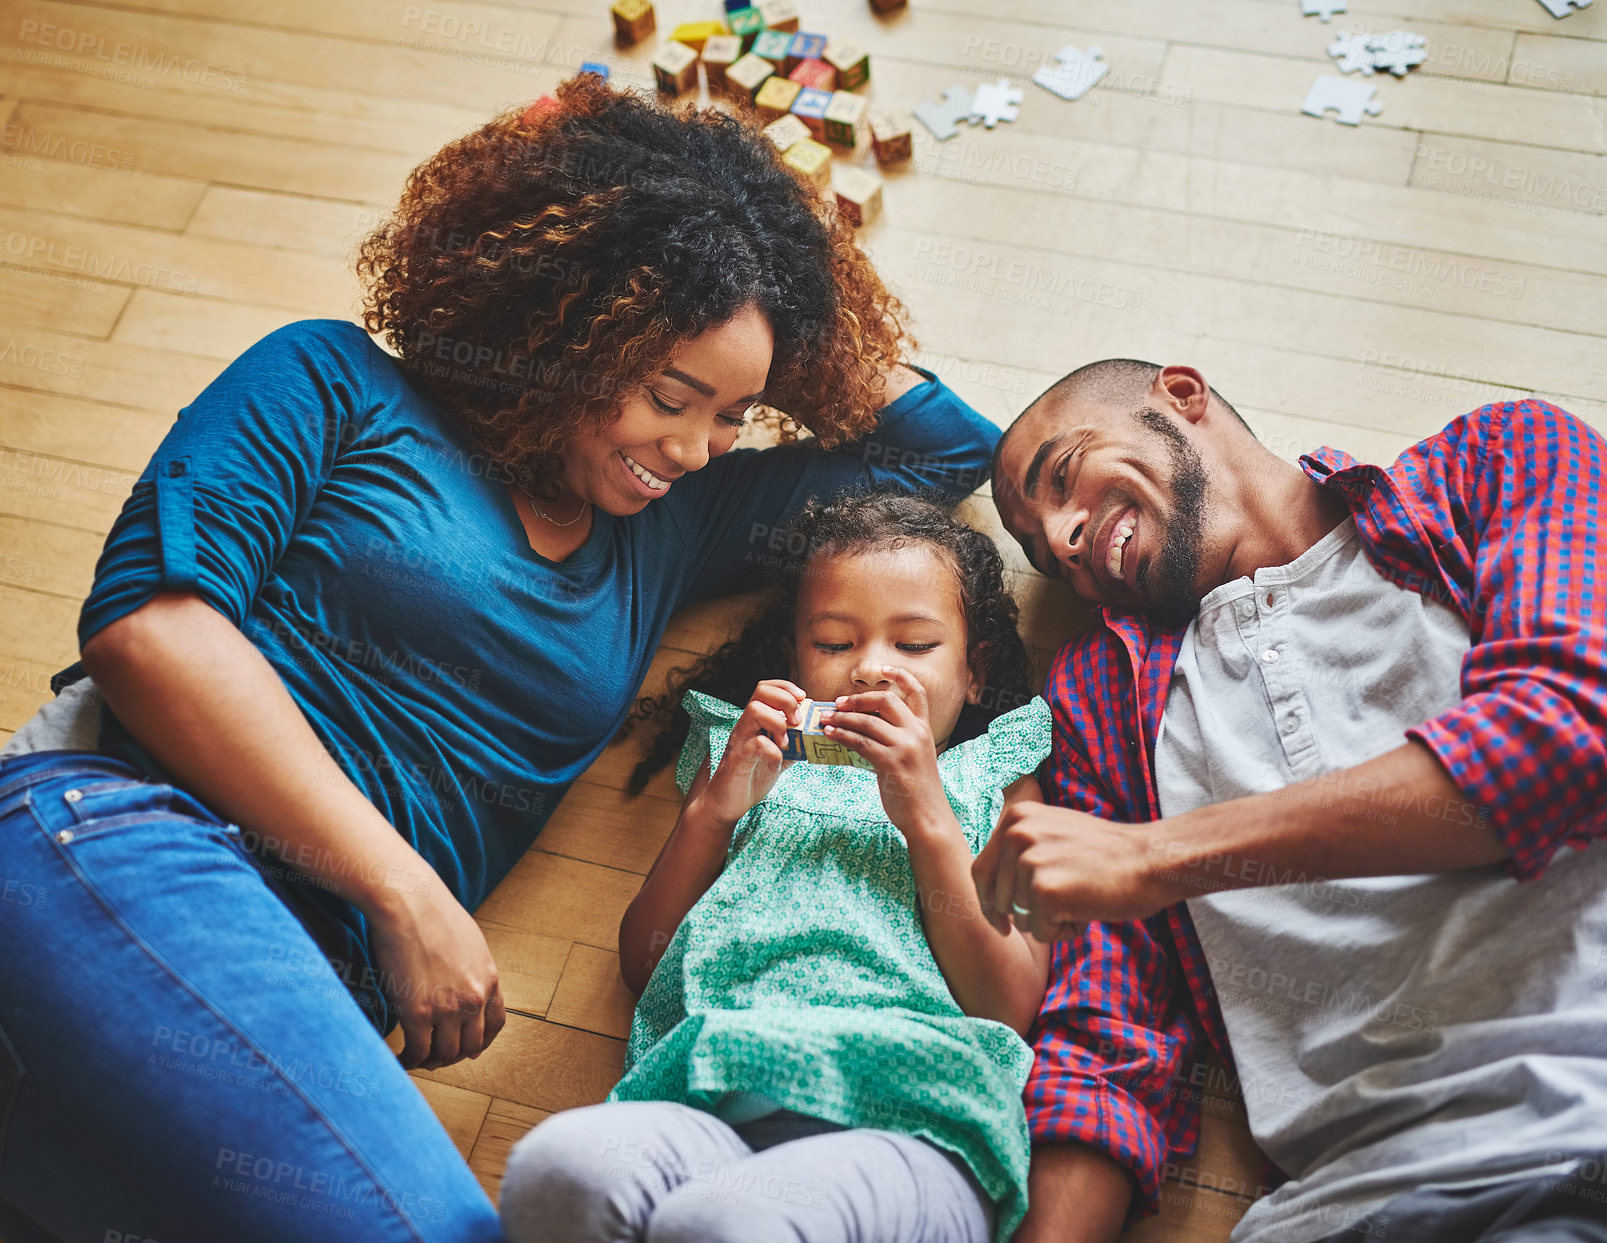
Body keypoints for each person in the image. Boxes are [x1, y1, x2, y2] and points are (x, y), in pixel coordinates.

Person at [0, 78, 1000, 1243]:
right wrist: (401, 888)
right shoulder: (335, 382)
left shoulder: (663, 528)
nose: (692, 447)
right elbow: (148, 629)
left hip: (307, 986)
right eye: (667, 394)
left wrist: (764, 251)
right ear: (565, 323)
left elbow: (947, 451)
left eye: (733, 413)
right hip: (130, 842)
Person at [980, 359, 1607, 1243]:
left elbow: (1564, 734)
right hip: (1340, 1208)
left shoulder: (1496, 464)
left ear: (1181, 395)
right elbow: (1108, 1036)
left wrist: (1156, 854)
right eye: (1048, 553)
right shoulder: (1098, 701)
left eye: (1063, 473)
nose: (1066, 539)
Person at [498, 493, 1052, 1243]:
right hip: (714, 1099)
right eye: (832, 643)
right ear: (795, 659)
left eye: (915, 645)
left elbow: (1006, 1004)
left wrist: (925, 810)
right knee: (558, 1167)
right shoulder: (748, 761)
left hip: (915, 1122)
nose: (870, 671)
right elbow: (644, 963)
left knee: (725, 1222)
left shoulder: (992, 775)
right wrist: (714, 810)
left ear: (975, 671)